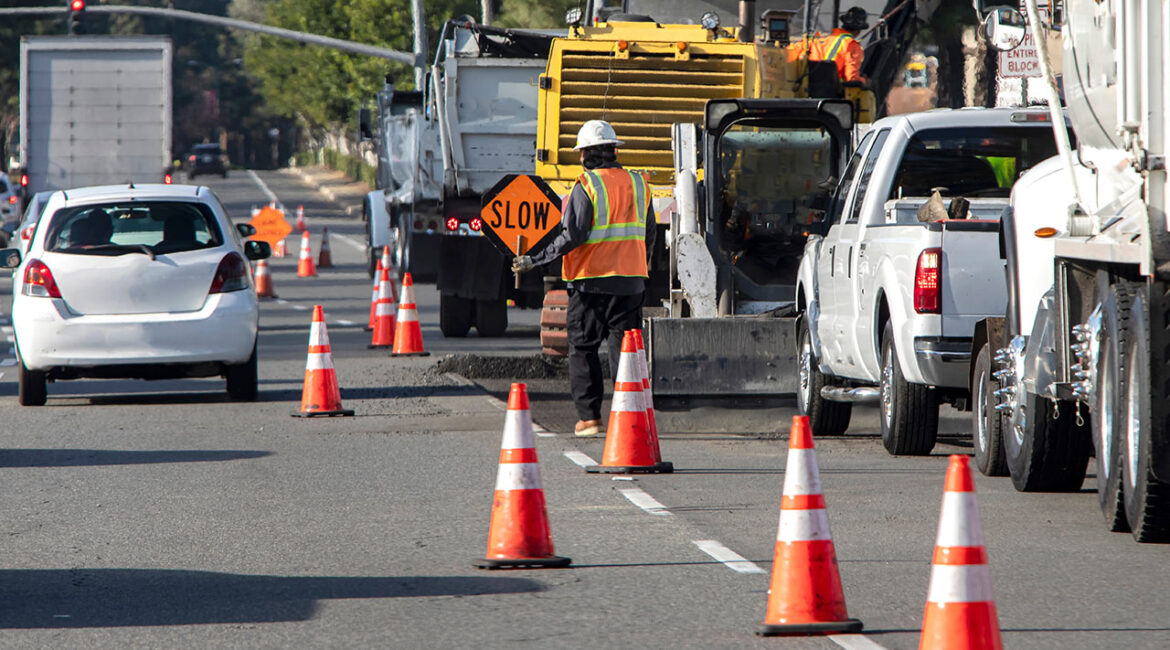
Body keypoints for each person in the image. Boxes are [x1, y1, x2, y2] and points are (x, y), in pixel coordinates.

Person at [512, 120, 655, 437]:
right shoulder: (640, 184)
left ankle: (590, 419)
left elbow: (571, 235)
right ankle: (627, 417)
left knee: (583, 349)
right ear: (614, 151)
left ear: (586, 155)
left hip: (591, 283)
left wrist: (534, 259)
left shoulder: (586, 186)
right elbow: (650, 236)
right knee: (626, 352)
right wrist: (640, 270)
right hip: (631, 283)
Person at [787, 6, 868, 84]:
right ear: (859, 31)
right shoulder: (852, 45)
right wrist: (865, 81)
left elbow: (789, 53)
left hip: (807, 87)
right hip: (833, 91)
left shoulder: (818, 39)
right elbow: (851, 78)